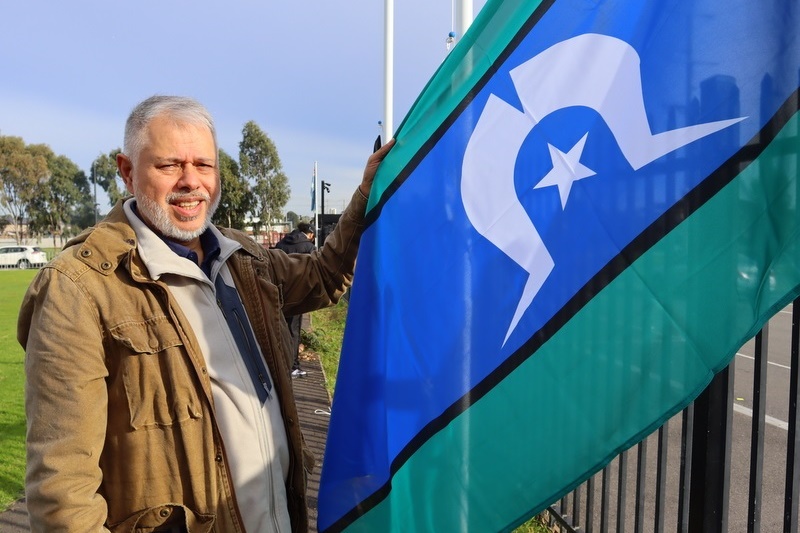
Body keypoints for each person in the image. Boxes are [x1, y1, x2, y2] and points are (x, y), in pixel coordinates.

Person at [17, 95, 393, 533]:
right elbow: (62, 494)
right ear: (126, 171)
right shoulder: (78, 288)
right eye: (169, 165)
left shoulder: (245, 259)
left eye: (204, 165)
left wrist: (367, 191)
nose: (191, 182)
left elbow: (325, 276)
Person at [274, 222, 316, 377]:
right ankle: (293, 366)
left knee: (280, 329)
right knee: (293, 331)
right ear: (310, 234)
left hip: (280, 292)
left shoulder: (281, 243)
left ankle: (281, 363)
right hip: (298, 294)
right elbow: (314, 271)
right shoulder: (308, 247)